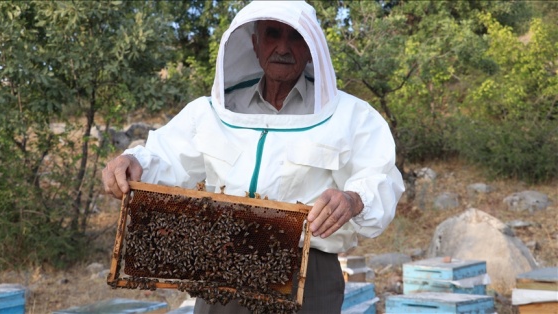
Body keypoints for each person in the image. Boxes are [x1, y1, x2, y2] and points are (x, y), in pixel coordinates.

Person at [102, 1, 405, 313]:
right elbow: (162, 157)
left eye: (296, 37)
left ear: (312, 46)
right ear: (255, 42)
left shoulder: (352, 116)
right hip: (220, 267)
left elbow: (380, 178)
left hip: (308, 273)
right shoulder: (210, 112)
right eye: (273, 34)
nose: (283, 47)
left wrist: (354, 199)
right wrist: (131, 163)